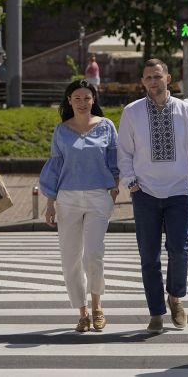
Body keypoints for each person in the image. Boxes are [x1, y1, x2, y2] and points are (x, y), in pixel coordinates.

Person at [117, 58, 188, 334]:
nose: (153, 82)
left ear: (168, 78)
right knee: (149, 255)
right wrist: (131, 182)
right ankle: (156, 312)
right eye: (148, 77)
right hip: (144, 192)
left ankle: (175, 298)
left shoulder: (186, 110)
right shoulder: (132, 112)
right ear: (142, 82)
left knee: (179, 250)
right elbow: (123, 152)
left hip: (178, 191)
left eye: (157, 76)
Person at [39, 79, 119, 333]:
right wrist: (50, 203)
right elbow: (55, 167)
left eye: (87, 98)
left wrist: (114, 190)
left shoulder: (107, 126)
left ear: (94, 99)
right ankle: (82, 312)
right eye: (77, 98)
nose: (83, 103)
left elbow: (115, 161)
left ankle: (97, 306)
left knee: (93, 254)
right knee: (70, 257)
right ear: (69, 101)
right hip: (67, 199)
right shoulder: (61, 130)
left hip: (99, 197)